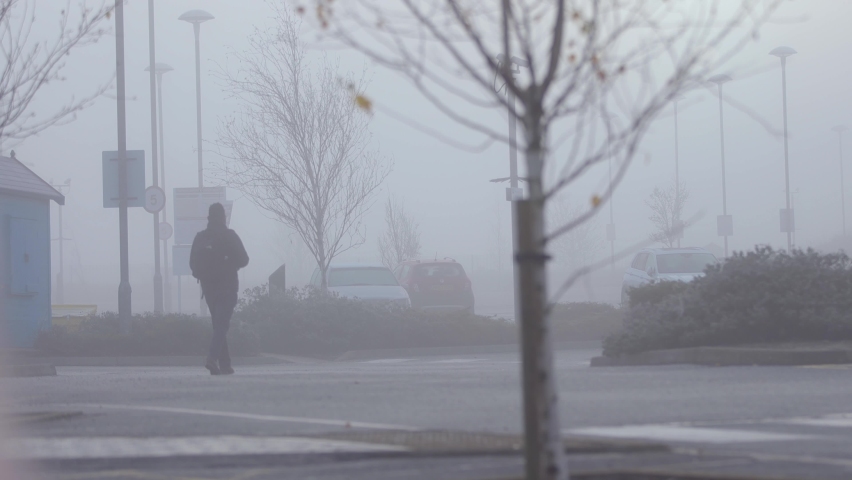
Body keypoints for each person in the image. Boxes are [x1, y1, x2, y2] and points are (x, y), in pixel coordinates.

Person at [190, 203, 249, 375]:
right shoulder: (229, 236)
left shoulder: (201, 238)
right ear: (223, 217)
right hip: (227, 285)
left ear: (209, 218)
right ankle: (212, 358)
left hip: (208, 288)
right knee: (222, 324)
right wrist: (230, 263)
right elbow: (244, 259)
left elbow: (192, 264)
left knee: (218, 324)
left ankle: (225, 364)